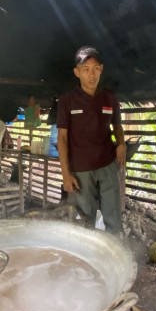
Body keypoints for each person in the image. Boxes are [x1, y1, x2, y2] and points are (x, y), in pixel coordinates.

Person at [57, 46, 126, 234]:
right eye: (85, 69)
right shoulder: (67, 100)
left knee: (113, 217)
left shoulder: (109, 97)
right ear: (77, 72)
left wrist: (121, 144)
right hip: (81, 170)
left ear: (101, 69)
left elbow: (117, 126)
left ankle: (113, 256)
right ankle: (91, 257)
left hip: (107, 164)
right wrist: (65, 174)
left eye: (95, 68)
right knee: (87, 219)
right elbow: (62, 137)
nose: (91, 74)